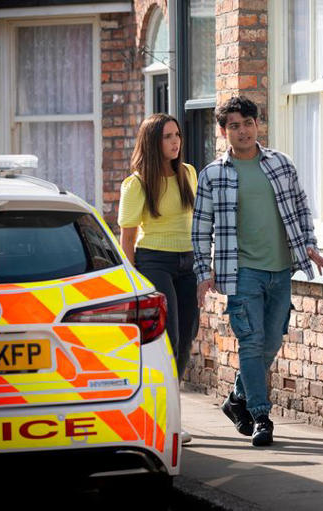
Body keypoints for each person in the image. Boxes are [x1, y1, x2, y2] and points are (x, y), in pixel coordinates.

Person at [192, 96, 323, 447]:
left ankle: (236, 397)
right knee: (251, 343)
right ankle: (260, 416)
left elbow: (301, 208)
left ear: (257, 125)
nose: (243, 131)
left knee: (271, 342)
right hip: (242, 272)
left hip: (281, 269)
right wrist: (203, 272)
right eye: (235, 126)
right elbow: (201, 228)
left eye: (248, 124)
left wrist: (309, 244)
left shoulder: (281, 164)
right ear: (224, 131)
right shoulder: (213, 175)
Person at [118, 113, 198, 444]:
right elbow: (127, 237)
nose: (175, 141)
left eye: (177, 135)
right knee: (170, 338)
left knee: (187, 336)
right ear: (153, 142)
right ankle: (168, 418)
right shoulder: (136, 184)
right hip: (154, 262)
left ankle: (169, 409)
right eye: (167, 136)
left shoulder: (188, 173)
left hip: (188, 263)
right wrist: (131, 283)